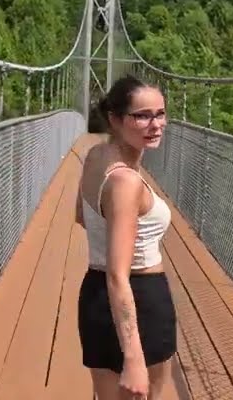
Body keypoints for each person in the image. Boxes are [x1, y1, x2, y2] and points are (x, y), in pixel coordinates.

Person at [75, 75, 175, 400]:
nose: (155, 124)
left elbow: (81, 215)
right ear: (115, 120)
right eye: (142, 115)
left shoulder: (95, 156)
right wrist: (133, 359)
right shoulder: (126, 183)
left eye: (160, 113)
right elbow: (119, 276)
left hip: (95, 297)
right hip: (139, 303)